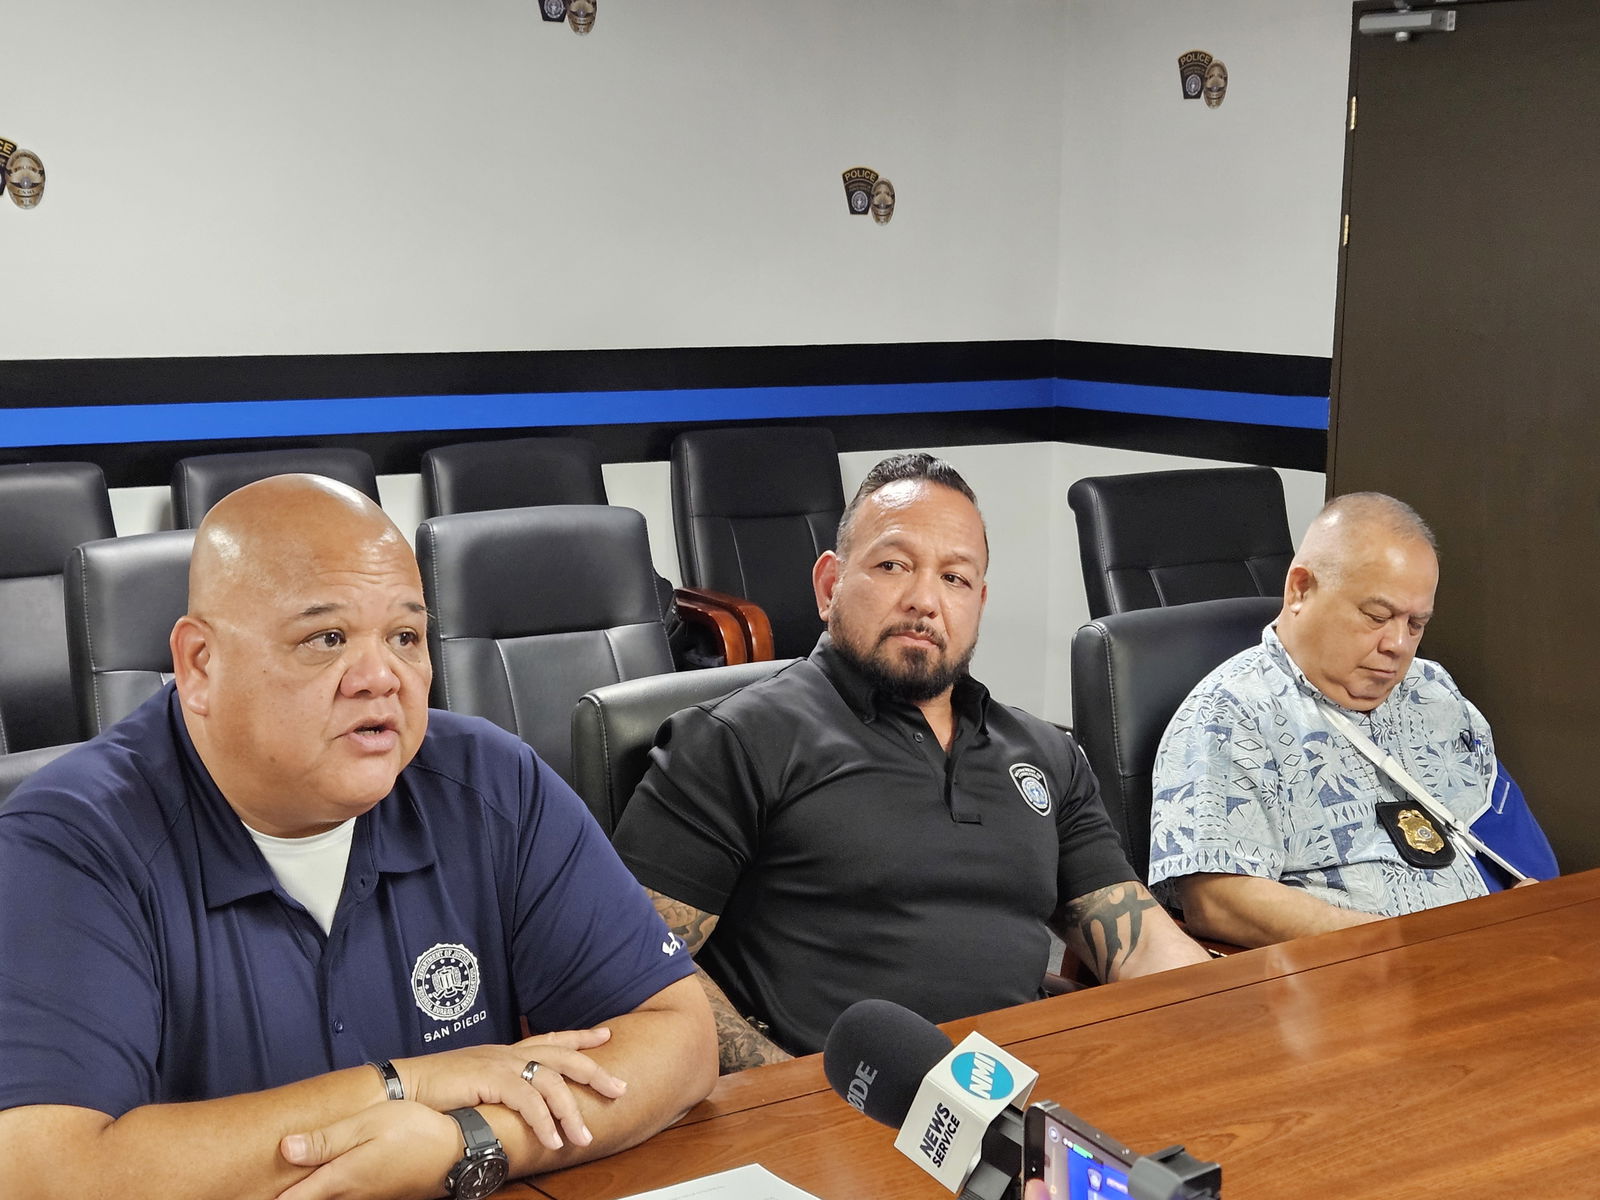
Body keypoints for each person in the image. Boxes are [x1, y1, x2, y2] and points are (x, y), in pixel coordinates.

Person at [0, 475, 716, 1200]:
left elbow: (678, 1038)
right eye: (328, 638)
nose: (382, 677)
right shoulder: (71, 843)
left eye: (406, 636)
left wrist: (465, 1142)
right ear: (199, 666)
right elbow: (45, 1173)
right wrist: (407, 1087)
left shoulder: (488, 781)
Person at [612, 453, 1210, 1072]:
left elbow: (1138, 946)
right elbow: (632, 967)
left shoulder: (1046, 753)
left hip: (1018, 1104)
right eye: (893, 565)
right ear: (828, 586)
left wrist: (1237, 1021)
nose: (925, 599)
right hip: (833, 1118)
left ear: (979, 602)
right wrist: (790, 1091)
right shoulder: (734, 740)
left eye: (955, 578)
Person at [1148, 492, 1554, 949]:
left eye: (1416, 624)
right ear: (1300, 590)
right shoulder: (1231, 715)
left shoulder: (1433, 691)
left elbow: (1500, 834)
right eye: (1377, 616)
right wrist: (1409, 945)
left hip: (1499, 954)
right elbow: (1219, 901)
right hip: (1357, 978)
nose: (1398, 645)